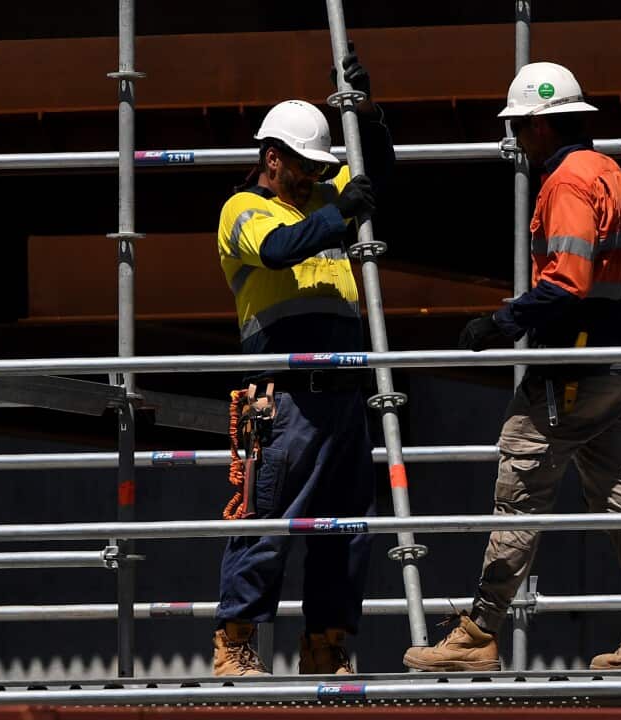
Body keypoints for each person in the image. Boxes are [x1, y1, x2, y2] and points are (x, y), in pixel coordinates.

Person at [402, 62, 621, 672]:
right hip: (615, 367)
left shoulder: (566, 183)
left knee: (519, 483)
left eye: (519, 129)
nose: (516, 142)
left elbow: (567, 281)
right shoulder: (613, 175)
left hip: (571, 371)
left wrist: (500, 323)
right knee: (619, 497)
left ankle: (478, 633)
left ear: (538, 126)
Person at [211, 48, 393, 677]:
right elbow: (280, 249)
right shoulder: (244, 209)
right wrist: (337, 213)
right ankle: (236, 642)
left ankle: (326, 644)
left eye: (322, 165)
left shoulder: (319, 194)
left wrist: (365, 117)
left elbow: (375, 179)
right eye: (307, 165)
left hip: (342, 392)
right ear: (273, 159)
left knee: (346, 529)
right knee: (265, 519)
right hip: (281, 395)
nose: (319, 174)